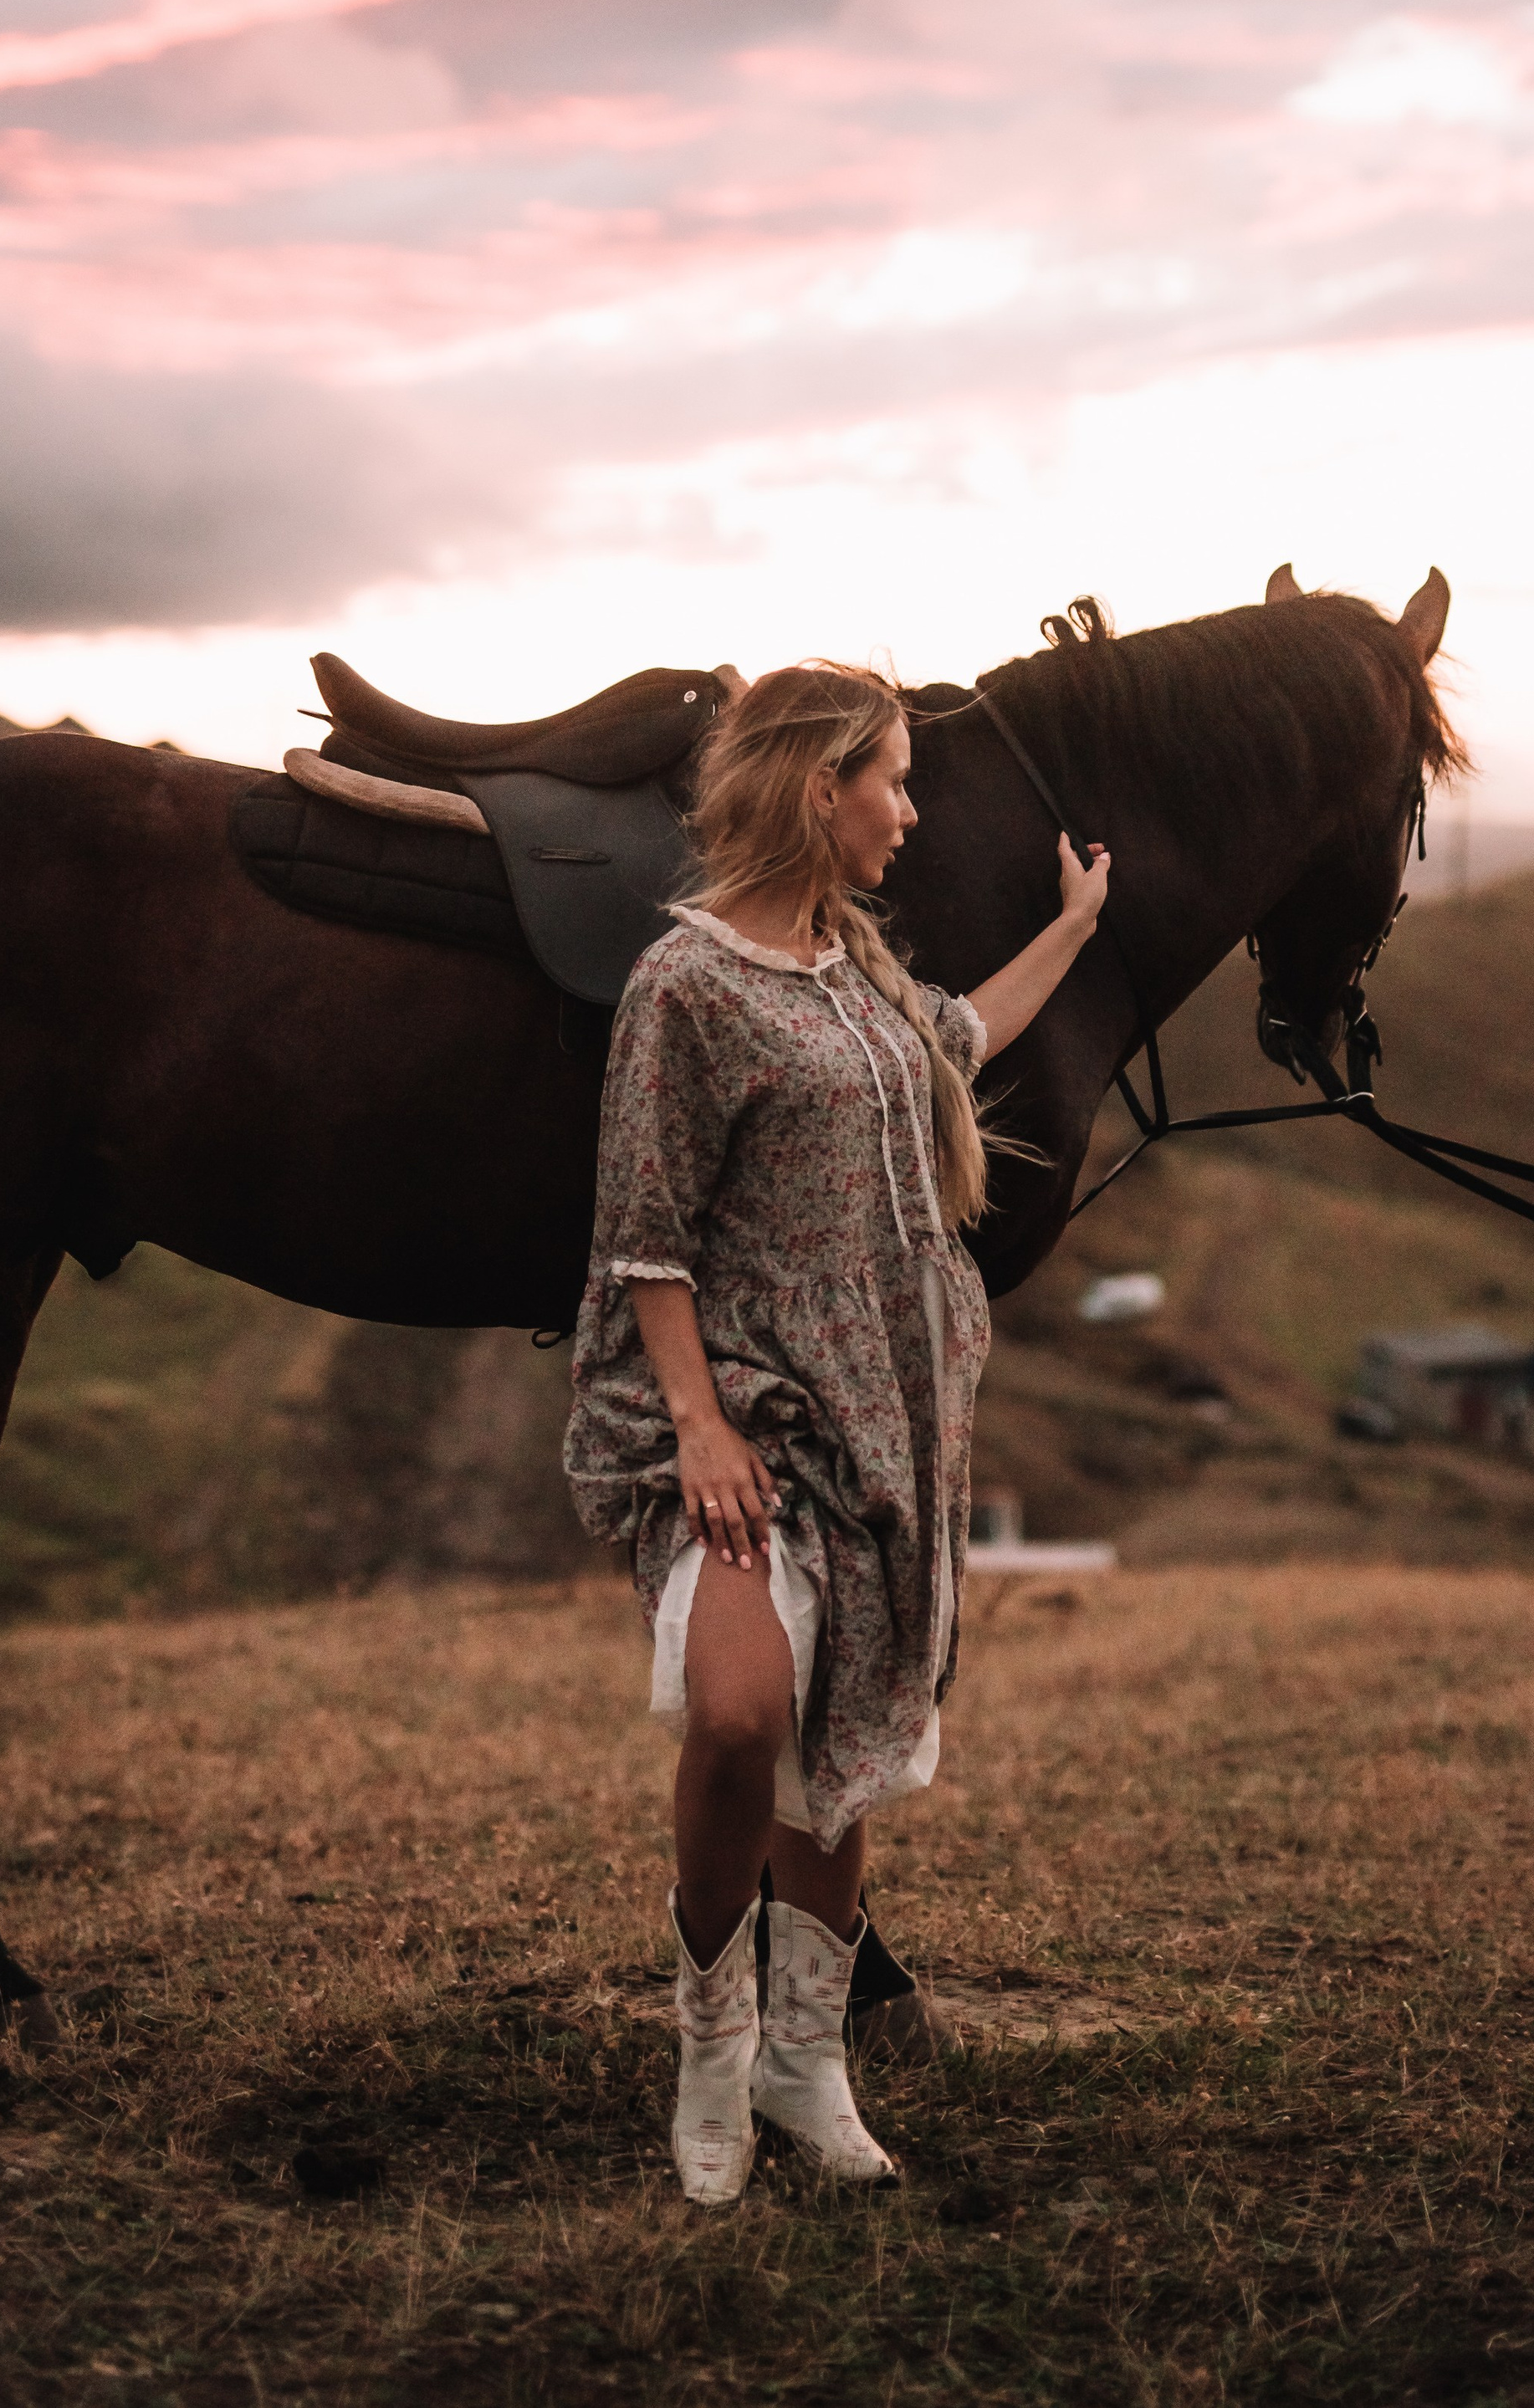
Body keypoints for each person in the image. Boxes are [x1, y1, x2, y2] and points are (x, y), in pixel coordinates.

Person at [563, 662, 1111, 2204]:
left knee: (843, 1759)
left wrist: (1076, 927)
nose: (910, 807)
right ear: (822, 787)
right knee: (742, 1717)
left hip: (893, 1422)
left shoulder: (858, 973)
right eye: (893, 775)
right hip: (752, 1416)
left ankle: (812, 2064)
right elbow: (643, 1239)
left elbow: (962, 1035)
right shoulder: (688, 987)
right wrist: (699, 1428)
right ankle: (713, 2056)